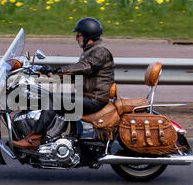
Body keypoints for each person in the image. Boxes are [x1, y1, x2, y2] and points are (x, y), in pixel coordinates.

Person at [12, 17, 115, 150]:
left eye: (79, 35)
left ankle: (34, 139)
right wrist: (44, 74)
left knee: (54, 99)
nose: (76, 38)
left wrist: (56, 70)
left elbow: (83, 67)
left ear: (88, 37)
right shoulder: (92, 50)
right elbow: (79, 75)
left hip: (94, 99)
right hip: (89, 95)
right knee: (48, 95)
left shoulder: (100, 52)